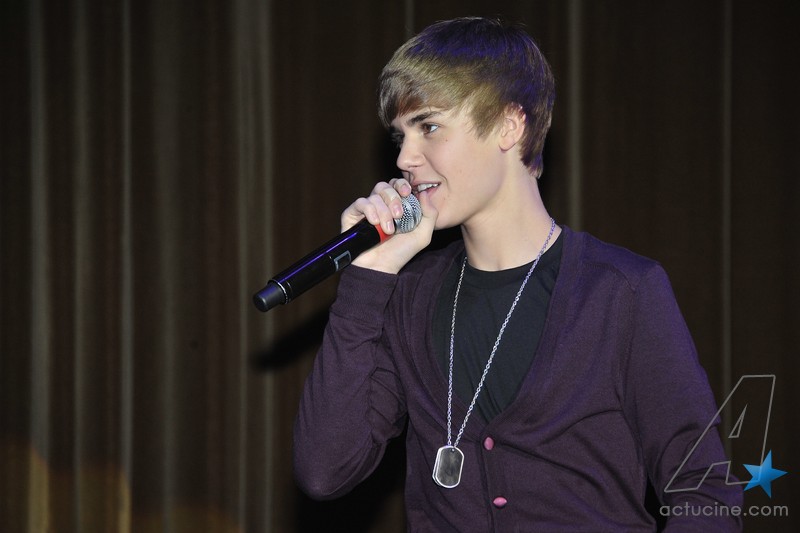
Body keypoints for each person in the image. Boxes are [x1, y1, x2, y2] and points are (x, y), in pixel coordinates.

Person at [293, 17, 742, 531]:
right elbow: (324, 472)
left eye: (429, 127)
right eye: (401, 135)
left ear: (510, 126)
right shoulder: (410, 295)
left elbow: (703, 488)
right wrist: (367, 278)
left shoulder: (620, 291)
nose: (404, 157)